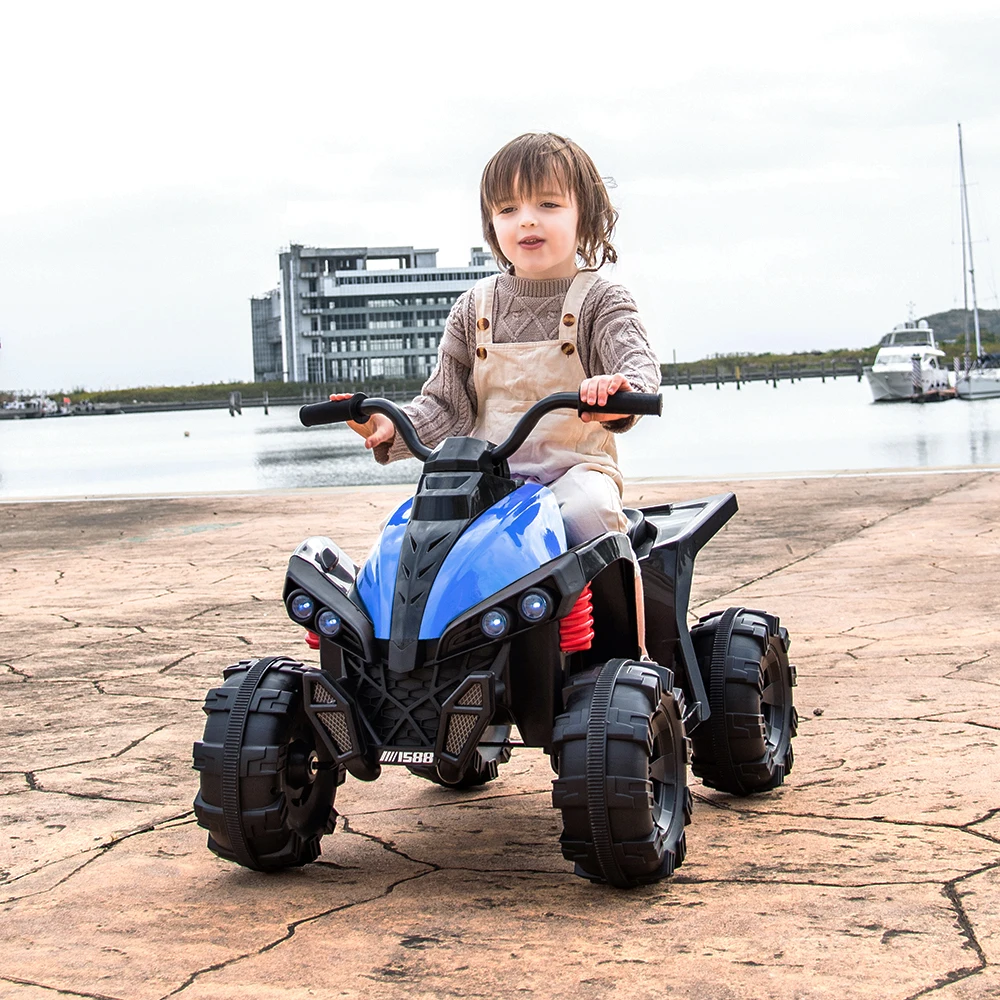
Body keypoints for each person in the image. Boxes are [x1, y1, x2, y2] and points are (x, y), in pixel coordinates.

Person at [335, 132, 660, 652]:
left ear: (586, 216)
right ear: (492, 224)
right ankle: (423, 665)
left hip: (571, 470)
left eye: (548, 204)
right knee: (407, 543)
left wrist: (620, 390)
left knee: (590, 514)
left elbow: (635, 364)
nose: (526, 220)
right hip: (488, 481)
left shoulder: (602, 298)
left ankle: (628, 660)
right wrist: (391, 424)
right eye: (508, 209)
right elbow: (445, 403)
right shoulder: (474, 306)